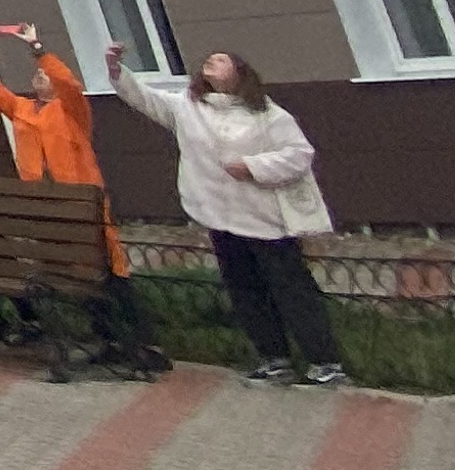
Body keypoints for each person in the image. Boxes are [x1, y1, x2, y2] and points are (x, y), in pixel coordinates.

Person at [103, 41, 347, 387]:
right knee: (245, 290)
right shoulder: (189, 107)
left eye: (223, 60)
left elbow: (299, 154)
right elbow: (145, 99)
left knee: (292, 290)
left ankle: (325, 362)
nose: (212, 60)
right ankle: (274, 359)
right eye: (210, 59)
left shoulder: (267, 115)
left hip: (265, 221)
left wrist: (253, 166)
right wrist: (116, 70)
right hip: (221, 218)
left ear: (240, 74)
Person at [0, 28, 160, 368]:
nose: (39, 76)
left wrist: (37, 48)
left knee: (108, 270)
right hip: (47, 207)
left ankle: (140, 343)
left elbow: (67, 82)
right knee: (73, 274)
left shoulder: (71, 109)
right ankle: (105, 338)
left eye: (43, 74)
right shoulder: (22, 108)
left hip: (82, 203)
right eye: (37, 74)